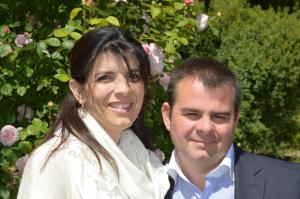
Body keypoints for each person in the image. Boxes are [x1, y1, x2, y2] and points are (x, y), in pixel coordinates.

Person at [17, 26, 162, 199]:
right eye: (105, 78)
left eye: (133, 77)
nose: (124, 89)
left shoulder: (138, 152)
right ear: (79, 91)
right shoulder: (54, 164)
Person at [157, 58, 300, 199]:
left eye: (219, 116)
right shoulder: (146, 187)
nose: (206, 128)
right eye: (192, 114)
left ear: (235, 119)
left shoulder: (293, 184)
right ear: (167, 116)